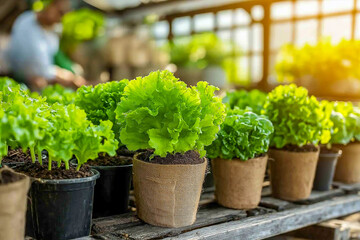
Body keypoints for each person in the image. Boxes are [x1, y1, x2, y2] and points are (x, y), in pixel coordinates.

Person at [6, 0, 86, 91]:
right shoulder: (29, 30)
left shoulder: (48, 26)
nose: (62, 18)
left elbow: (55, 53)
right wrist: (71, 78)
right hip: (24, 81)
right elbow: (41, 70)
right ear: (48, 6)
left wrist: (72, 70)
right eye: (60, 13)